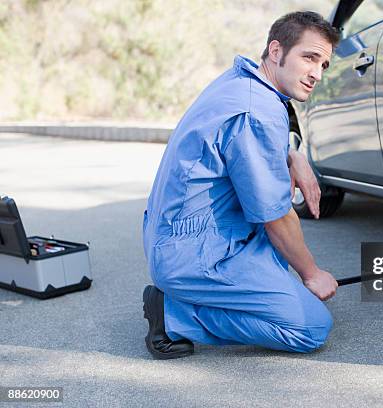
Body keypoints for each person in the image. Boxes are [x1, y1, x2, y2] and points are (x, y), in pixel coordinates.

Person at [142, 11, 340, 359]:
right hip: (193, 254)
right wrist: (312, 273)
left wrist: (294, 156)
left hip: (177, 235)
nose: (316, 74)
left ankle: (248, 288)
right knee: (310, 328)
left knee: (279, 266)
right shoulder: (256, 111)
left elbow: (247, 145)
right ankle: (173, 314)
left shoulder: (242, 80)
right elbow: (275, 216)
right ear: (276, 51)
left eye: (323, 64)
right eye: (309, 58)